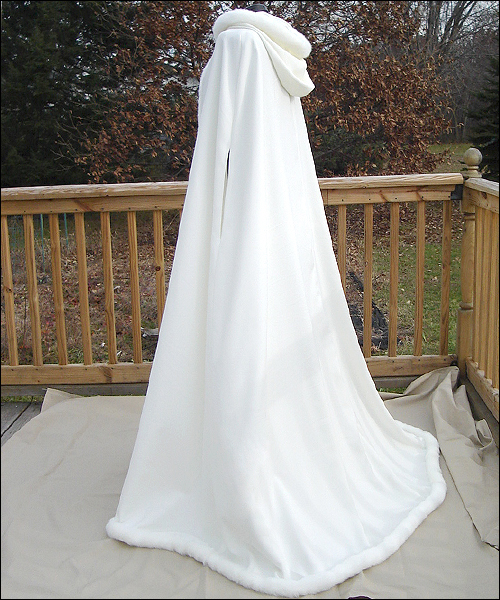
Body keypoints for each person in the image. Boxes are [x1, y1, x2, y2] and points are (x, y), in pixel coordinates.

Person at [106, 7, 446, 597]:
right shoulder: (268, 61)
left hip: (250, 233)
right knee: (252, 342)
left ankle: (249, 471)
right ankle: (239, 462)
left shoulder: (239, 51)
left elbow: (224, 152)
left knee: (247, 340)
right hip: (268, 233)